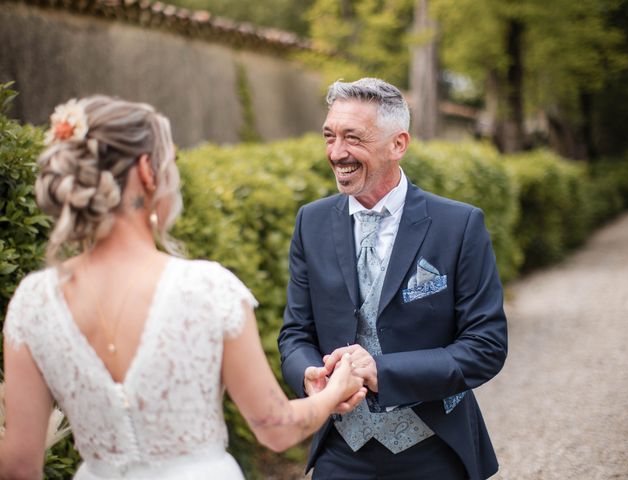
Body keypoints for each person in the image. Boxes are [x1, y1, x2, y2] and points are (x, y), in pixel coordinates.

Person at [0, 95, 366, 480]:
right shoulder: (207, 289)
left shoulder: (34, 300)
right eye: (168, 161)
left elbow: (20, 467)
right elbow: (276, 428)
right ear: (146, 170)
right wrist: (334, 391)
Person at [278, 78, 508, 480]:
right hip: (341, 450)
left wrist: (382, 371)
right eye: (329, 136)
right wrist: (309, 374)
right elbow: (295, 333)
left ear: (398, 144)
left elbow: (485, 346)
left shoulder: (458, 225)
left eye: (353, 138)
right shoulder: (310, 222)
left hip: (434, 447)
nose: (336, 153)